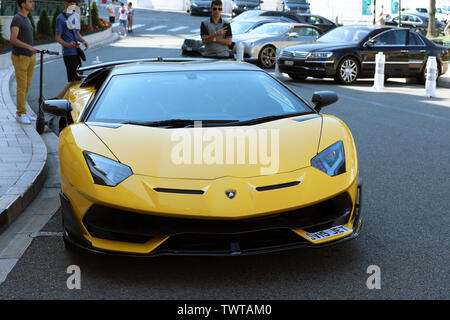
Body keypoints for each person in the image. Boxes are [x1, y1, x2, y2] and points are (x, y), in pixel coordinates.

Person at [9, 0, 38, 124]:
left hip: (30, 56)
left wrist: (31, 50)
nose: (33, 3)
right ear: (22, 4)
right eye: (30, 1)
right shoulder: (17, 19)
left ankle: (24, 112)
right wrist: (28, 47)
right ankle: (20, 114)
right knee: (21, 86)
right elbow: (13, 39)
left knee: (27, 85)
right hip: (20, 57)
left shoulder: (27, 19)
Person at [54, 0, 88, 100]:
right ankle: (64, 101)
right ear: (65, 2)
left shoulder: (76, 16)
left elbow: (76, 34)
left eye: (74, 2)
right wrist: (68, 45)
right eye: (70, 2)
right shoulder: (60, 18)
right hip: (68, 53)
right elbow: (57, 38)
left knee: (76, 80)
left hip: (76, 52)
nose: (72, 4)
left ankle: (59, 99)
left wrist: (83, 41)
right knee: (76, 81)